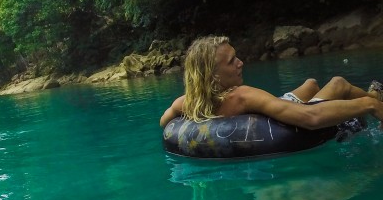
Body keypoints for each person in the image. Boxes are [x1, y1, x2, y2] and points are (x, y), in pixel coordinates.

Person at [159, 35, 383, 130]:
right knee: (337, 83)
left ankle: (372, 95)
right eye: (231, 62)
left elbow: (164, 122)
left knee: (311, 84)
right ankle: (374, 97)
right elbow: (311, 117)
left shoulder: (187, 102)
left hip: (276, 104)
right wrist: (368, 106)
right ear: (212, 76)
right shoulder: (243, 95)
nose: (241, 63)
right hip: (278, 112)